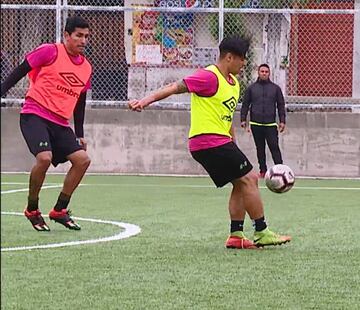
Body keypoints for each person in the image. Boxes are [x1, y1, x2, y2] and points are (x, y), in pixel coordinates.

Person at [129, 35, 291, 249]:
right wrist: (144, 101)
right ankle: (261, 231)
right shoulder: (209, 77)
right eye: (242, 59)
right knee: (250, 178)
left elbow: (225, 115)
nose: (244, 63)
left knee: (240, 183)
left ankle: (236, 235)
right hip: (207, 140)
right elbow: (174, 87)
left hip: (219, 141)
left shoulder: (233, 84)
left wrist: (233, 143)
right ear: (230, 57)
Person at [0, 16, 92, 231]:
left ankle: (59, 210)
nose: (83, 40)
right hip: (35, 114)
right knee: (44, 159)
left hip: (60, 123)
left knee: (83, 160)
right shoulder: (50, 51)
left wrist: (80, 133)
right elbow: (20, 70)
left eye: (87, 36)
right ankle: (32, 209)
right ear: (66, 35)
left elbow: (81, 100)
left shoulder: (86, 67)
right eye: (79, 35)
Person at [240, 63, 286, 178]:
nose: (264, 73)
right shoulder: (251, 88)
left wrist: (282, 121)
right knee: (260, 148)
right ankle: (263, 170)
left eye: (266, 72)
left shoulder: (275, 89)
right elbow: (245, 104)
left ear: (269, 73)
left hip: (270, 124)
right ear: (258, 73)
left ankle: (280, 169)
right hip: (256, 123)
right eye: (262, 71)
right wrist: (243, 119)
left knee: (274, 146)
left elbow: (281, 105)